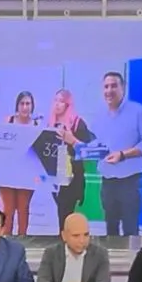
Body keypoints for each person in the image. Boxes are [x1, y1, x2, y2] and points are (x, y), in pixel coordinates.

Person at [88, 70, 142, 237]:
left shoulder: (137, 111)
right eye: (106, 87)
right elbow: (94, 143)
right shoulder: (99, 115)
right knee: (110, 230)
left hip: (130, 182)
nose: (109, 90)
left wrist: (123, 154)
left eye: (114, 86)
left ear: (123, 88)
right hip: (107, 182)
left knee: (130, 230)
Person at [44, 89, 95, 229]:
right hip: (54, 176)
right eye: (55, 100)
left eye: (61, 101)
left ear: (68, 104)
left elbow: (87, 151)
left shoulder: (78, 123)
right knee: (60, 213)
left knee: (66, 214)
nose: (57, 104)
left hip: (72, 176)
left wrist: (72, 140)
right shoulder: (49, 123)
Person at [35, 213, 111, 282]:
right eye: (76, 236)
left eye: (86, 235)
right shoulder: (51, 253)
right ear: (64, 236)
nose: (82, 240)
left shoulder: (100, 254)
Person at [0, 90, 41, 235]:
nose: (25, 107)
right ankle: (6, 239)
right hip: (7, 174)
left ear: (32, 106)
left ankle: (22, 240)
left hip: (26, 175)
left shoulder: (37, 125)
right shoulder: (8, 121)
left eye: (28, 103)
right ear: (17, 105)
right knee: (8, 210)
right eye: (22, 103)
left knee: (23, 209)